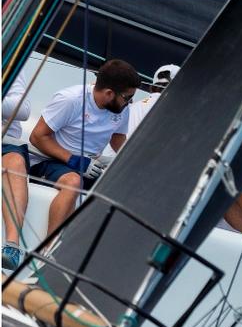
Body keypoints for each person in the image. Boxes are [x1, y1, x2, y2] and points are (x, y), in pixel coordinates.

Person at [29, 59, 140, 236]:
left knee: (129, 192)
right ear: (110, 93)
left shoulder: (121, 108)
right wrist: (74, 160)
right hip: (51, 160)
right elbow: (37, 136)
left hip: (89, 166)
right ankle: (48, 248)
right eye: (127, 98)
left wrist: (136, 164)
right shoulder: (71, 99)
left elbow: (118, 139)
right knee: (74, 182)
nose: (129, 103)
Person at [2, 69, 32, 270]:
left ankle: (12, 246)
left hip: (4, 141)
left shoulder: (8, 60)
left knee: (16, 162)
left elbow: (24, 110)